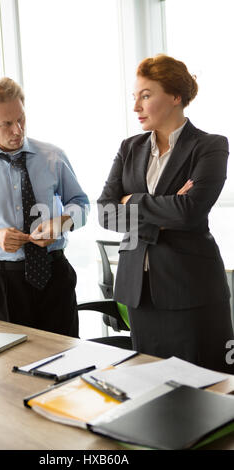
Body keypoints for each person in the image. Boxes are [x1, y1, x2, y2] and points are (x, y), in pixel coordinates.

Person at [97, 54, 234, 373]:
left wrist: (131, 200)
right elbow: (104, 213)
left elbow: (189, 212)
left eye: (146, 96)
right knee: (151, 384)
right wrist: (164, 211)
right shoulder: (129, 147)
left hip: (191, 290)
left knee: (206, 390)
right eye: (135, 97)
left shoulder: (210, 146)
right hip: (139, 292)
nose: (136, 107)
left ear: (175, 96)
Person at [0, 77, 89, 337]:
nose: (17, 130)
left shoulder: (52, 157)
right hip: (4, 284)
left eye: (21, 119)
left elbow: (81, 204)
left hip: (55, 276)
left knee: (68, 363)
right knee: (11, 370)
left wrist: (61, 223)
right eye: (6, 124)